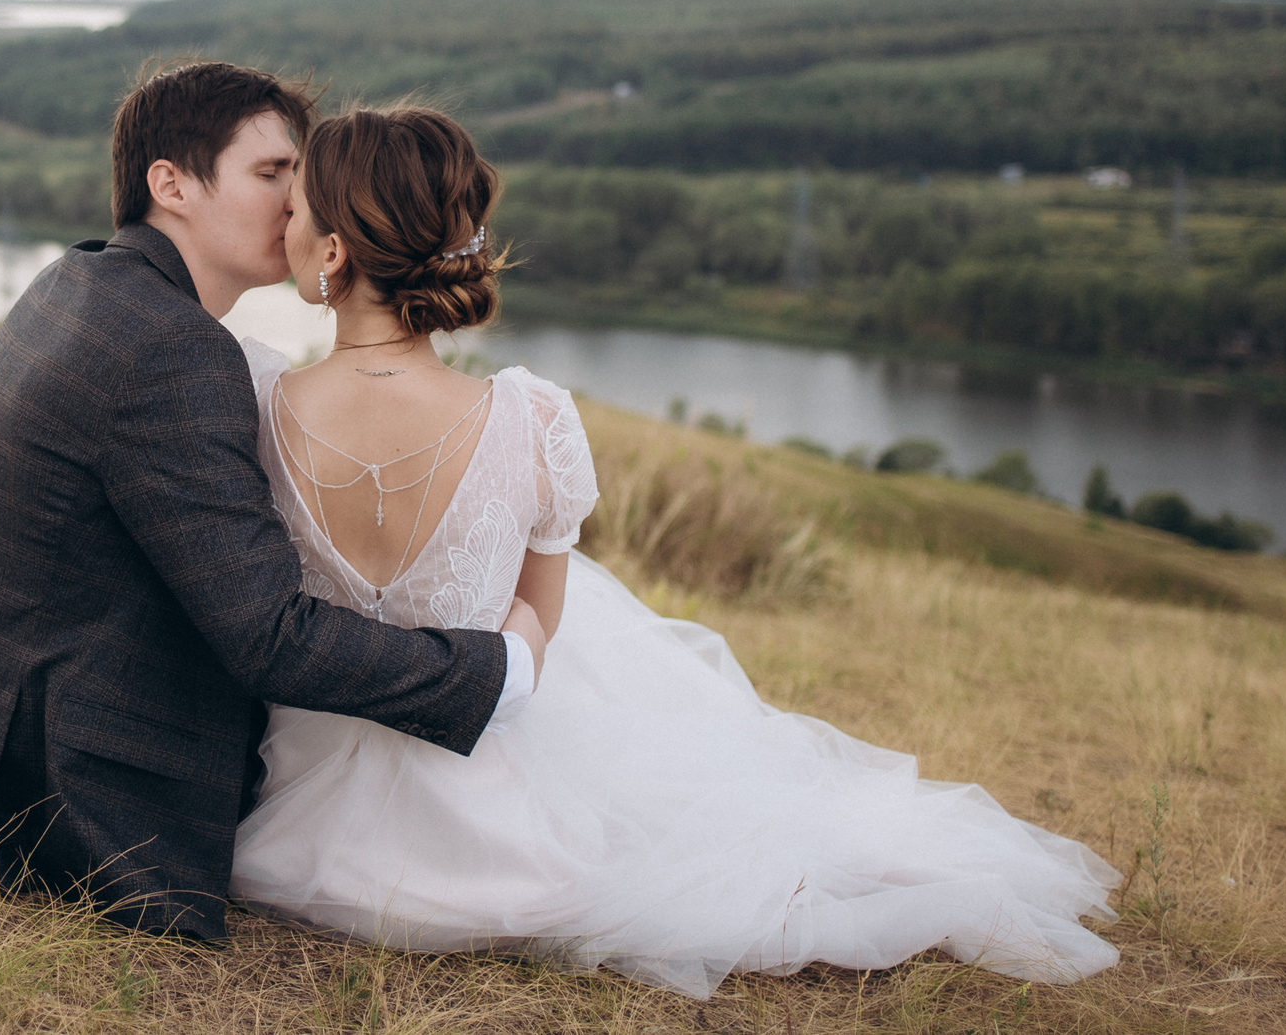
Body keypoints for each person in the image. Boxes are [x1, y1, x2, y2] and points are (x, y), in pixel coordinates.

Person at [229, 104, 1122, 997]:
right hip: (499, 833)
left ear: (336, 252)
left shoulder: (254, 400)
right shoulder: (531, 419)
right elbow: (541, 616)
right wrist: (519, 649)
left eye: (298, 206)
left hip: (298, 828)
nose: (286, 222)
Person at [0, 63, 546, 941]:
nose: (297, 204)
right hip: (56, 796)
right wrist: (495, 670)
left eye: (299, 181)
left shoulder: (84, 280)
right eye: (272, 174)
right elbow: (268, 636)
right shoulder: (174, 349)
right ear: (172, 184)